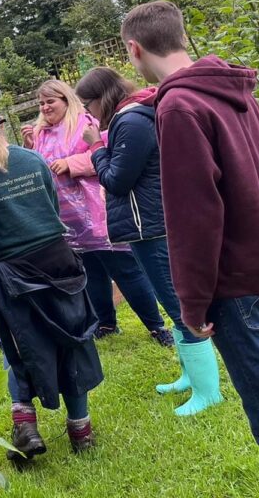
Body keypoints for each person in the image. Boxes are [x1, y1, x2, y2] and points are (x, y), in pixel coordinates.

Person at [121, 0, 259, 492]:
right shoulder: (235, 88)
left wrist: (191, 306)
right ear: (180, 35)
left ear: (134, 50)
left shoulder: (179, 108)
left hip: (238, 286)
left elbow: (195, 218)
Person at [0, 102, 102, 463]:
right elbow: (52, 208)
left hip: (13, 273)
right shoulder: (33, 160)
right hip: (58, 261)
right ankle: (80, 430)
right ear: (1, 125)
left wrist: (0, 241)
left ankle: (26, 428)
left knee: (20, 346)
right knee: (71, 338)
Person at [75, 67, 223, 416]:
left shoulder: (130, 122)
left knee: (176, 304)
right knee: (170, 301)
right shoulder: (131, 119)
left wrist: (96, 145)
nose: (88, 113)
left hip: (150, 228)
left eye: (88, 104)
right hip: (145, 227)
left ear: (103, 98)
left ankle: (208, 391)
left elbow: (116, 180)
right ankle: (190, 376)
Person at [22, 79, 172, 345]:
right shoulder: (40, 132)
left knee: (125, 271)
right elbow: (39, 169)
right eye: (41, 103)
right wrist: (31, 149)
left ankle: (156, 325)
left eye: (50, 101)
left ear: (66, 101)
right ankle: (106, 322)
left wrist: (71, 163)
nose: (45, 108)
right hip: (68, 220)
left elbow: (108, 153)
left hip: (95, 213)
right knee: (90, 273)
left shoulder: (84, 123)